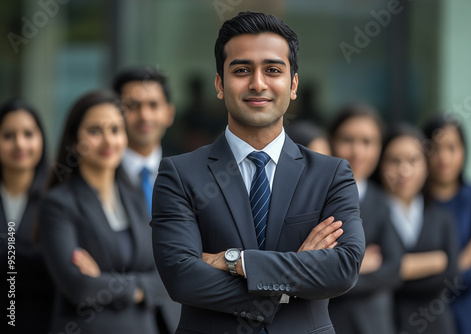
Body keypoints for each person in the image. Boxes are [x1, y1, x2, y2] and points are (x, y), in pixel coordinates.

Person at [151, 11, 365, 334]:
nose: (258, 83)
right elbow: (183, 279)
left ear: (293, 84)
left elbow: (344, 268)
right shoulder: (179, 175)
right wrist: (292, 282)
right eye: (242, 70)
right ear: (220, 84)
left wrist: (236, 261)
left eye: (273, 70)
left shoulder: (331, 175)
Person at [39, 90, 167, 334]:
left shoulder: (137, 197)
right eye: (95, 131)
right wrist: (141, 287)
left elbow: (168, 275)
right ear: (75, 142)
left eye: (115, 130)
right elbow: (80, 287)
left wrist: (105, 282)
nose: (109, 141)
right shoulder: (58, 204)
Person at [112, 66, 181, 333]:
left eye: (153, 104)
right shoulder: (94, 183)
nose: (144, 115)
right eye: (132, 105)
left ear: (169, 113)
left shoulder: (196, 176)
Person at [375, 124, 459, 334]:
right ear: (380, 163)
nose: (405, 170)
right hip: (385, 324)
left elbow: (451, 276)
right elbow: (361, 278)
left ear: (426, 166)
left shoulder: (442, 218)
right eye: (395, 160)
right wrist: (434, 261)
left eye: (414, 160)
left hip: (437, 326)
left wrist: (390, 268)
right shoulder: (367, 216)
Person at [327, 105, 403, 334]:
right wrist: (359, 267)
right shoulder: (316, 198)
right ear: (331, 141)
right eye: (347, 139)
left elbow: (393, 269)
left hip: (374, 323)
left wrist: (338, 276)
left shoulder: (382, 201)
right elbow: (309, 269)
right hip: (328, 323)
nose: (357, 151)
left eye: (367, 142)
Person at [423, 116, 471, 334]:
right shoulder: (418, 203)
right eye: (434, 148)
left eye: (452, 148)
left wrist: (432, 272)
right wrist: (458, 264)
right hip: (426, 318)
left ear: (464, 151)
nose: (443, 157)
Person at [0, 99, 54, 334]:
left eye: (28, 134)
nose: (20, 143)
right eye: (8, 135)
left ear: (41, 138)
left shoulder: (57, 198)